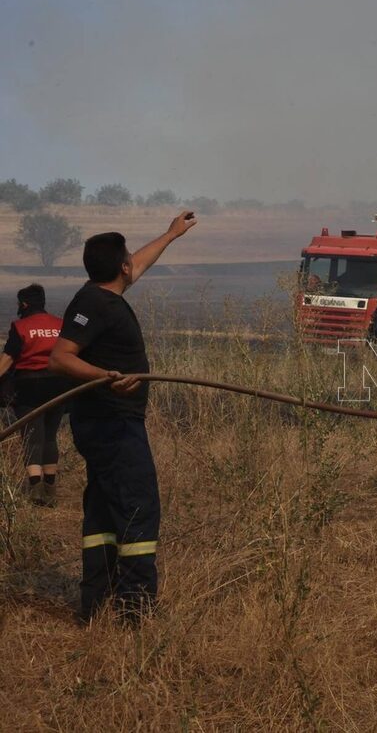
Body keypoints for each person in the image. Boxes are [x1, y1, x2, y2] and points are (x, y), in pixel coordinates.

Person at [49, 211, 198, 623]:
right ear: (122, 266)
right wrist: (106, 378)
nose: (134, 262)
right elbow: (59, 358)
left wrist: (171, 235)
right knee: (138, 506)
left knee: (102, 513)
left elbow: (140, 264)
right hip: (112, 424)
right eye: (130, 257)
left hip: (104, 424)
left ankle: (94, 605)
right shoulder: (95, 304)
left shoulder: (101, 295)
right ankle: (135, 608)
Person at [0, 284, 69, 506]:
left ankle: (35, 489)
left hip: (29, 387)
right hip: (58, 386)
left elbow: (8, 360)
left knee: (32, 437)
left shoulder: (20, 326)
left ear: (24, 304)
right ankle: (51, 489)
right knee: (49, 436)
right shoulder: (60, 325)